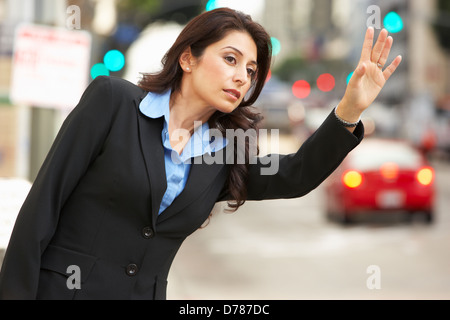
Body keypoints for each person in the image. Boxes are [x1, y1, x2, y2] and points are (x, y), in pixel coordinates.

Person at [0, 8, 401, 299]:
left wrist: (349, 109)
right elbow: (41, 208)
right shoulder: (113, 102)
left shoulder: (223, 154)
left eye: (250, 70)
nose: (242, 77)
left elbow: (295, 174)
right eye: (231, 59)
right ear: (188, 57)